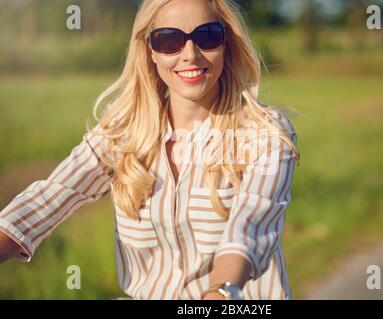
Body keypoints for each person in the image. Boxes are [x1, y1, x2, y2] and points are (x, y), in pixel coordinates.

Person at [0, 0, 299, 300]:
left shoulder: (265, 134)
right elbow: (47, 199)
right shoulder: (122, 132)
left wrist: (220, 293)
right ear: (150, 51)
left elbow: (248, 231)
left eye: (207, 36)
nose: (190, 55)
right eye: (169, 40)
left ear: (227, 44)